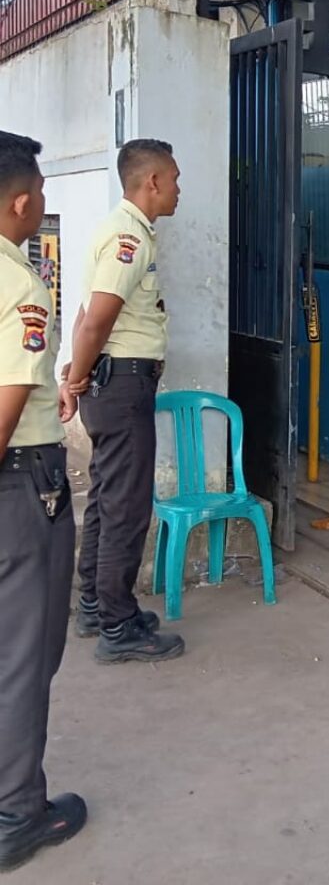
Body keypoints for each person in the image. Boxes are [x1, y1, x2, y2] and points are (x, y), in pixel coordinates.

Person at [0, 131, 87, 871]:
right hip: (21, 481)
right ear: (22, 203)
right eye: (41, 193)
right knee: (27, 652)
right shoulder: (20, 286)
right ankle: (16, 814)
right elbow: (8, 402)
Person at [65, 139, 185, 663]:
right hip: (122, 384)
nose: (179, 189)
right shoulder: (128, 238)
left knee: (108, 496)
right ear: (152, 181)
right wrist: (76, 378)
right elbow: (97, 319)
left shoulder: (119, 229)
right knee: (127, 507)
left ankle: (95, 604)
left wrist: (76, 373)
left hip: (111, 381)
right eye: (174, 179)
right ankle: (118, 626)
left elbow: (84, 313)